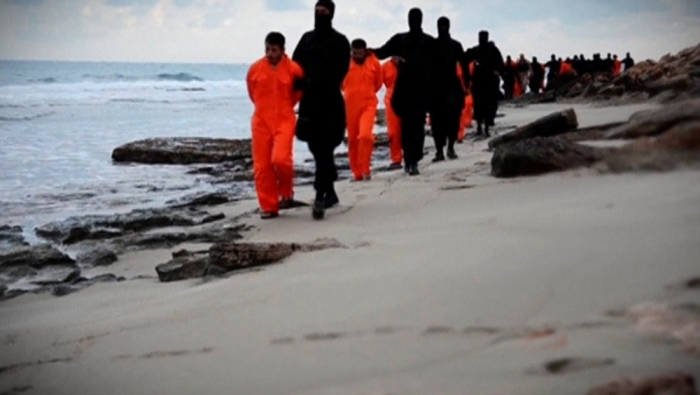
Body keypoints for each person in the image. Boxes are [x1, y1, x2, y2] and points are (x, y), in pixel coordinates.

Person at [292, 0, 350, 220]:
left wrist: (313, 81)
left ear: (331, 15)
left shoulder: (340, 41)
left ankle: (319, 196)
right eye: (317, 12)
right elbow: (295, 66)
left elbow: (340, 71)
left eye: (324, 12)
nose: (319, 15)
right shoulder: (306, 39)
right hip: (309, 105)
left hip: (331, 103)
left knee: (325, 148)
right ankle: (331, 191)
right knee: (317, 150)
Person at [371, 8, 436, 176]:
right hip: (412, 91)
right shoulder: (425, 41)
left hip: (411, 91)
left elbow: (381, 52)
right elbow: (381, 52)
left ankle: (411, 159)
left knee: (411, 127)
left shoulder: (404, 40)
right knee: (413, 127)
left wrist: (368, 51)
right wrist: (367, 51)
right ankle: (411, 160)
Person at [246, 32, 304, 220]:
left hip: (284, 120)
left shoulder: (294, 70)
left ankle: (286, 191)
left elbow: (298, 94)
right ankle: (269, 206)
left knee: (281, 159)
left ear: (282, 50)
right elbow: (252, 93)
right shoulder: (255, 69)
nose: (270, 53)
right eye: (268, 49)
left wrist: (286, 109)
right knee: (262, 167)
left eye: (274, 50)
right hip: (261, 121)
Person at [343, 39, 383, 181]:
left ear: (365, 51)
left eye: (360, 53)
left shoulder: (374, 62)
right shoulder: (344, 63)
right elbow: (340, 83)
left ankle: (365, 169)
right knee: (353, 140)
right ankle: (357, 173)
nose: (357, 55)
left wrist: (369, 92)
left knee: (365, 136)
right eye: (354, 53)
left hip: (368, 104)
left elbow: (378, 82)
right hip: (350, 105)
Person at [430, 16, 468, 161]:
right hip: (438, 87)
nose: (443, 28)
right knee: (438, 120)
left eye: (445, 26)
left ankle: (449, 148)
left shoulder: (454, 45)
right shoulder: (434, 44)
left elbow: (464, 64)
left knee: (451, 119)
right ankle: (441, 150)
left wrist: (467, 84)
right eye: (441, 26)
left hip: (450, 86)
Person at [464, 31, 504, 138]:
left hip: (489, 82)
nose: (481, 39)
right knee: (479, 105)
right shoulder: (476, 50)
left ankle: (485, 127)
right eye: (480, 37)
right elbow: (465, 58)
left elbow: (500, 64)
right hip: (479, 82)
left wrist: (497, 72)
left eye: (482, 37)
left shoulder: (493, 50)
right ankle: (480, 127)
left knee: (488, 105)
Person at [382, 58, 403, 169]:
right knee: (393, 132)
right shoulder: (385, 67)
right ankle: (396, 159)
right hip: (391, 101)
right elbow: (377, 82)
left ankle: (411, 157)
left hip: (408, 100)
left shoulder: (409, 64)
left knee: (409, 131)